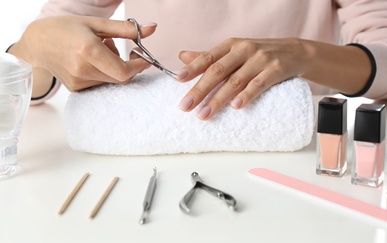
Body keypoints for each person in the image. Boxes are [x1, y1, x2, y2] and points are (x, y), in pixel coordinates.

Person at [6, 0, 387, 120]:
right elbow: (34, 78)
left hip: (301, 168)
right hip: (147, 162)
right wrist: (35, 45)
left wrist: (305, 54)